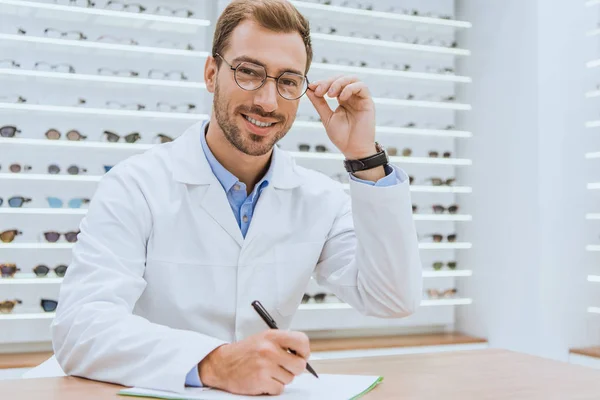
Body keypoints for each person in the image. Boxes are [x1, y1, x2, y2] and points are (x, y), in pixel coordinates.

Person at [50, 0, 422, 395]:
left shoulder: (319, 200)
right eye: (248, 72)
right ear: (212, 73)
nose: (267, 101)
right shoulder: (135, 185)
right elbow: (81, 326)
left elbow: (392, 299)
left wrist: (364, 157)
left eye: (288, 81)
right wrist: (215, 363)